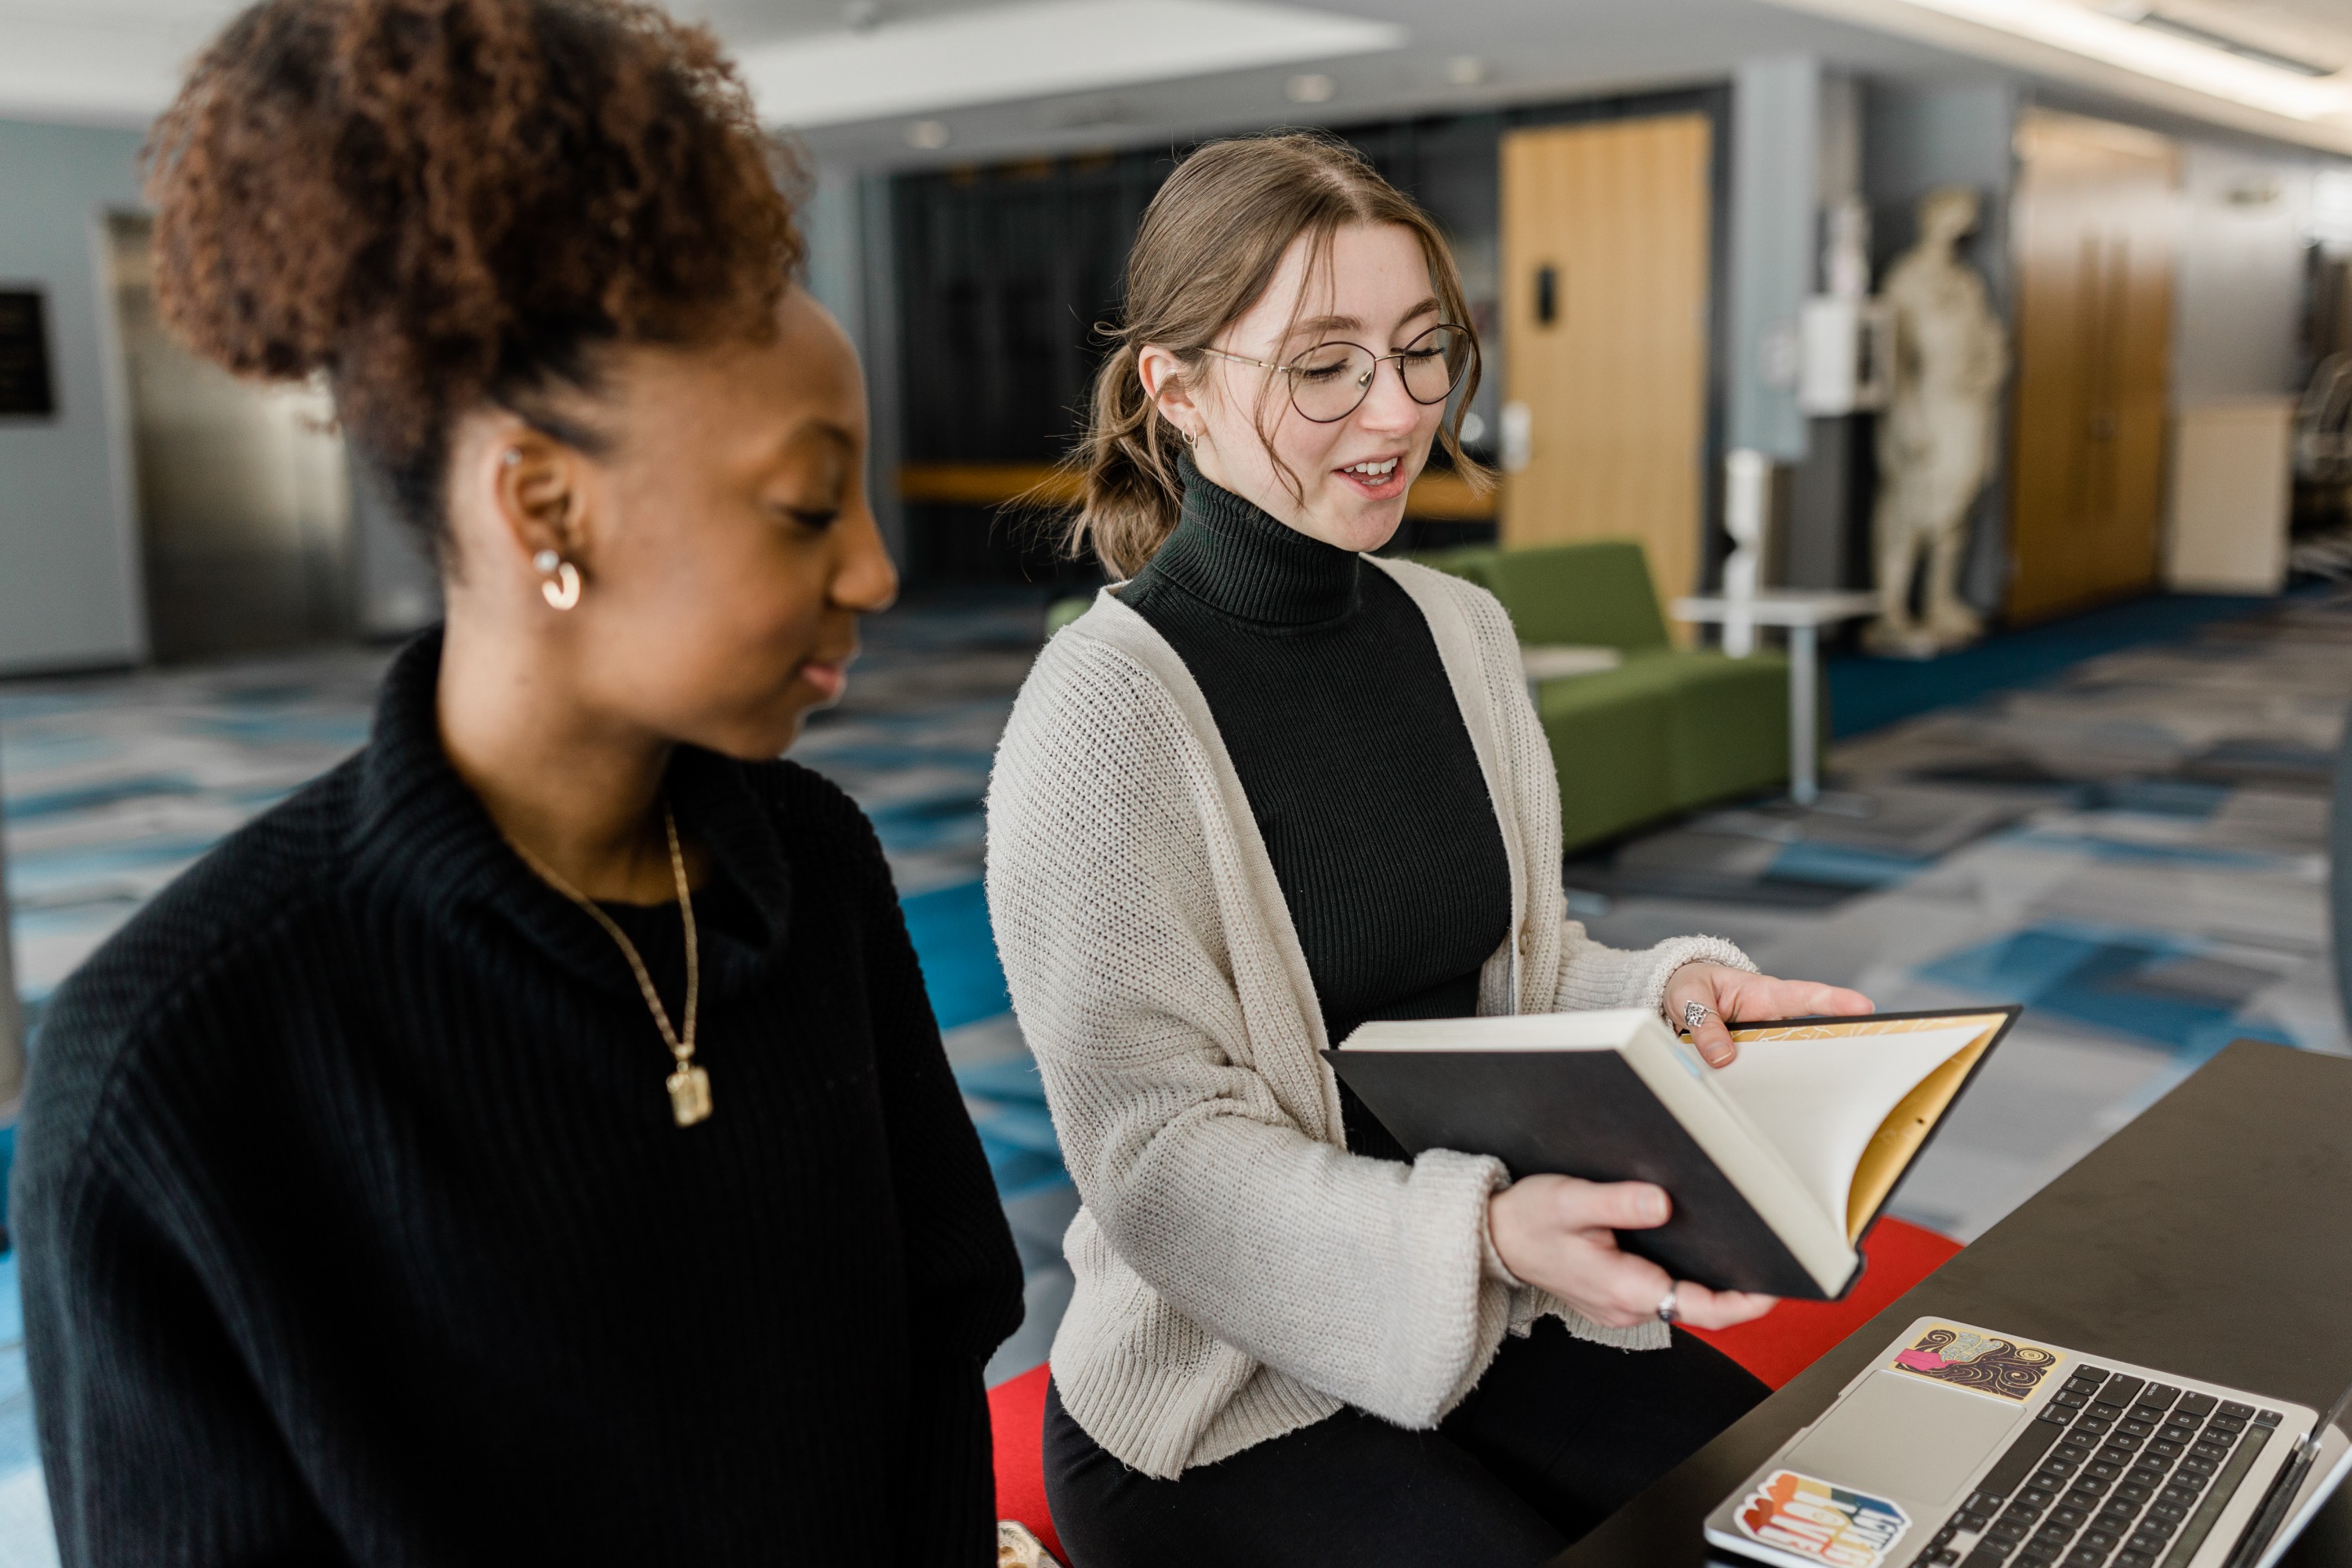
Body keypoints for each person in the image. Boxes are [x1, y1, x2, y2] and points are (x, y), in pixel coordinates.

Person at [15, 2, 1022, 1563]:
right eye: (808, 508)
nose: (879, 572)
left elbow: (933, 1367)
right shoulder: (176, 1070)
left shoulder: (807, 865)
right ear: (542, 506)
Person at [984, 132, 1875, 1567]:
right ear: (1179, 388)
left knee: (1806, 1521)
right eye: (1323, 365)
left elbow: (1509, 977)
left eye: (1421, 353)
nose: (1393, 410)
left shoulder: (1459, 631)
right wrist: (1480, 1239)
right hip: (1219, 1398)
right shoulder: (1100, 712)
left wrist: (1671, 999)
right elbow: (1155, 1161)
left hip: (1493, 1312)